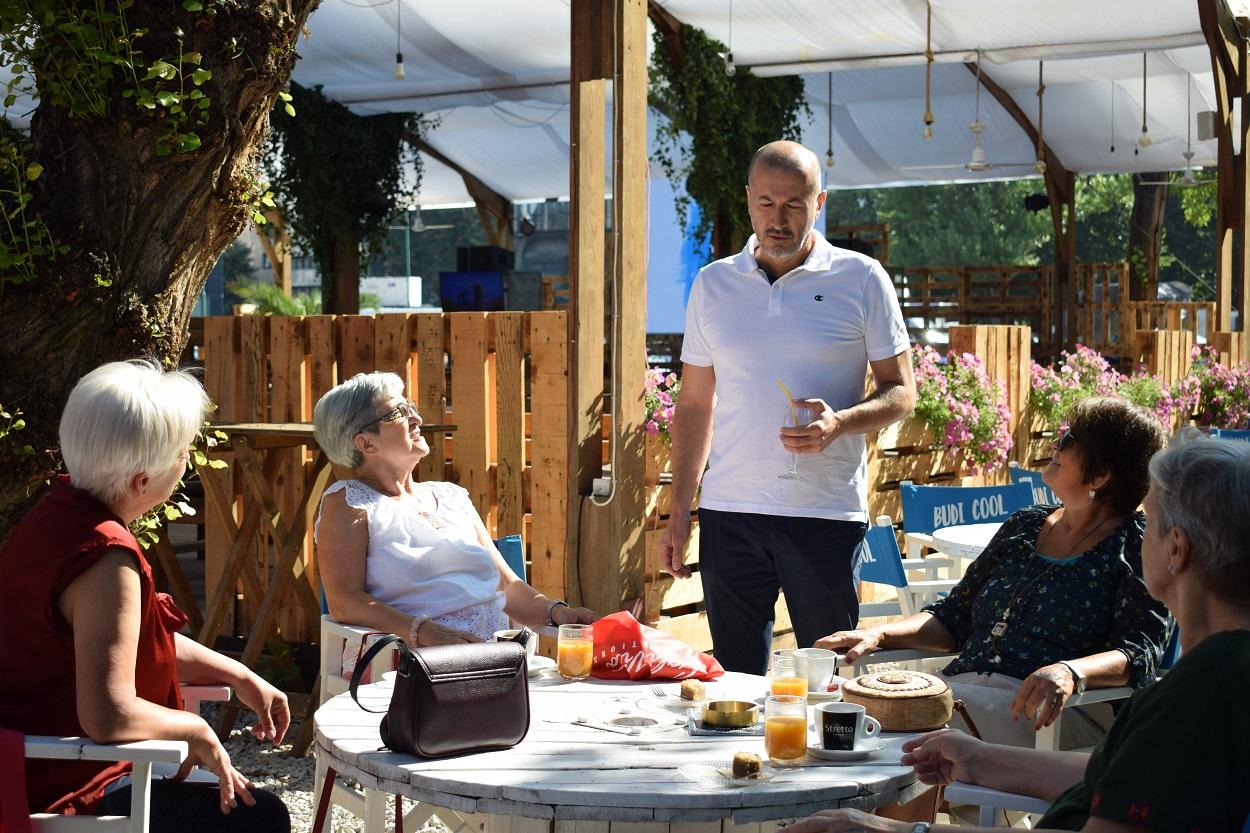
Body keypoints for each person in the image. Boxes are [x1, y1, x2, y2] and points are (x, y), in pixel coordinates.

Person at [780, 429, 1250, 832]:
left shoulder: (1203, 692)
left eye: (1150, 524)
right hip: (974, 705)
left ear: (1176, 549)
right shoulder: (1214, 677)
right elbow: (1115, 775)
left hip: (1040, 710)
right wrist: (980, 760)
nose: (1139, 529)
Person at [657, 140, 916, 674]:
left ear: (819, 203)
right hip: (730, 514)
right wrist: (680, 507)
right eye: (767, 203)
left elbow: (902, 392)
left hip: (822, 514)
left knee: (829, 682)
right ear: (749, 200)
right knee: (734, 681)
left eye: (794, 204)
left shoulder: (862, 278)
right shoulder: (713, 284)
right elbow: (695, 403)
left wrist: (840, 423)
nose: (779, 218)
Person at [0, 360, 290, 831]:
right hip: (71, 782)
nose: (187, 463)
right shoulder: (105, 558)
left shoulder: (53, 516)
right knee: (263, 817)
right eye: (183, 454)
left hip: (34, 762)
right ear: (142, 482)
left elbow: (125, 640)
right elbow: (107, 716)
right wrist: (196, 728)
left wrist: (238, 673)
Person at [818, 397, 1171, 749]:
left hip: (1051, 714)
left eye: (1067, 440)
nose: (1054, 444)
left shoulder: (1137, 545)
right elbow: (953, 618)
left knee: (889, 735)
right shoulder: (1026, 524)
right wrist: (879, 634)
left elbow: (1139, 653)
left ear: (1101, 474)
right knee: (850, 717)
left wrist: (1070, 672)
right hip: (962, 698)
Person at [312, 371, 597, 647]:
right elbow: (343, 600)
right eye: (399, 412)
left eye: (410, 407)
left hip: (496, 656)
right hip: (409, 661)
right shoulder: (350, 502)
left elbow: (507, 586)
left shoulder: (451, 497)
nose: (417, 418)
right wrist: (422, 632)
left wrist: (559, 613)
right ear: (365, 443)